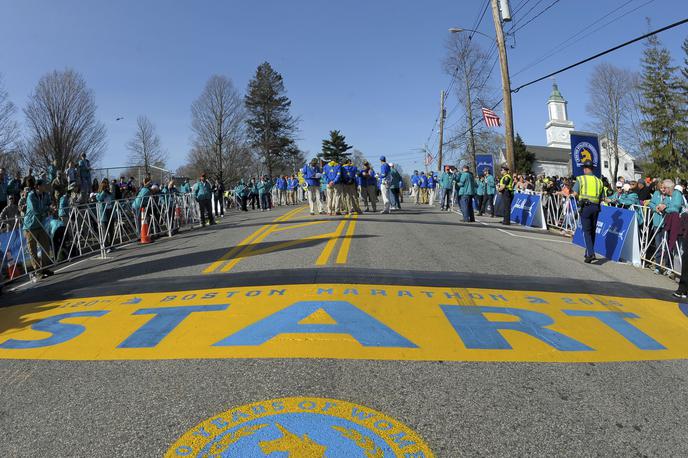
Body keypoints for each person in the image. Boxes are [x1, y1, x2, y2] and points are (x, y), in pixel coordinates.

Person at [572, 161, 605, 264]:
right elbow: (602, 197)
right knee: (592, 231)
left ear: (585, 169)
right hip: (596, 207)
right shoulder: (599, 181)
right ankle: (588, 255)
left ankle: (591, 253)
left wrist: (578, 198)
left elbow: (575, 193)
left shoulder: (581, 179)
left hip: (585, 207)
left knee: (586, 231)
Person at [23, 179, 54, 280]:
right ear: (38, 186)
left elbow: (50, 204)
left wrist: (51, 207)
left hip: (41, 224)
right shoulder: (31, 195)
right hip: (30, 226)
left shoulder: (45, 195)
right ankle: (37, 271)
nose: (45, 186)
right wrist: (47, 209)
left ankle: (44, 268)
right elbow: (35, 210)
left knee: (46, 246)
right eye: (43, 185)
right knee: (33, 250)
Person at [96, 178, 115, 251]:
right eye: (105, 184)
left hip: (110, 211)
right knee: (105, 230)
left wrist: (110, 191)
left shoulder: (109, 193)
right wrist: (103, 191)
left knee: (111, 230)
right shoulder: (99, 193)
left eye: (107, 184)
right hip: (104, 213)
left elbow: (113, 200)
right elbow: (100, 198)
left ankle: (112, 244)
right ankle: (106, 246)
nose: (106, 185)